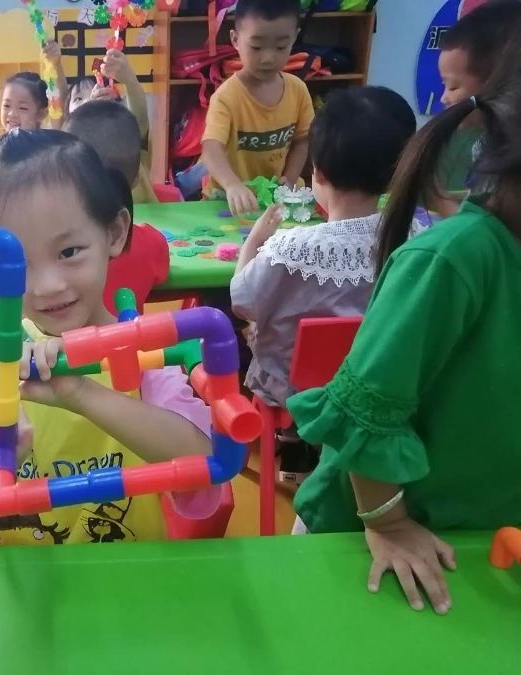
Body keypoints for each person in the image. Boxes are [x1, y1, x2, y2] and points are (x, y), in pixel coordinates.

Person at [286, 53, 521, 614]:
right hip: (370, 530)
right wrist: (387, 523)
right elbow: (367, 407)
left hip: (479, 535)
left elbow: (248, 296)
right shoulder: (449, 258)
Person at [0, 129, 221, 546]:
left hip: (116, 564)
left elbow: (203, 463)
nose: (47, 286)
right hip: (15, 565)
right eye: (16, 263)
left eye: (68, 252)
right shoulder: (3, 348)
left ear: (114, 233)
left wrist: (80, 392)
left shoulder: (140, 345)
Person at [230, 87, 416, 484]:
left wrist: (253, 242)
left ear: (319, 173)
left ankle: (292, 439)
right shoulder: (410, 235)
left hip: (293, 391)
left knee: (244, 328)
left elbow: (242, 300)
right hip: (377, 382)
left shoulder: (291, 247)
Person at [199, 0, 314, 215]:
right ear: (235, 40)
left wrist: (289, 179)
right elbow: (211, 147)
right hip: (229, 200)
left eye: (281, 47)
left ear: (294, 38)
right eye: (257, 47)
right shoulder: (226, 97)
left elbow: (302, 140)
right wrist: (232, 184)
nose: (268, 58)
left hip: (274, 198)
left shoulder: (298, 90)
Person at [63, 100, 169, 314]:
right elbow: (163, 272)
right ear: (137, 179)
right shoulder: (152, 243)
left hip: (58, 338)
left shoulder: (52, 248)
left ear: (64, 176)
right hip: (128, 336)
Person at [436, 0, 521, 196]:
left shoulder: (509, 161)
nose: (444, 98)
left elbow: (492, 214)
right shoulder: (484, 145)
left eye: (453, 86)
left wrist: (436, 199)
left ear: (499, 81)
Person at [67, 49, 156, 203]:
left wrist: (129, 80)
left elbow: (139, 120)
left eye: (99, 90)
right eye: (78, 98)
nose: (91, 98)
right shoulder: (69, 153)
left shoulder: (124, 135)